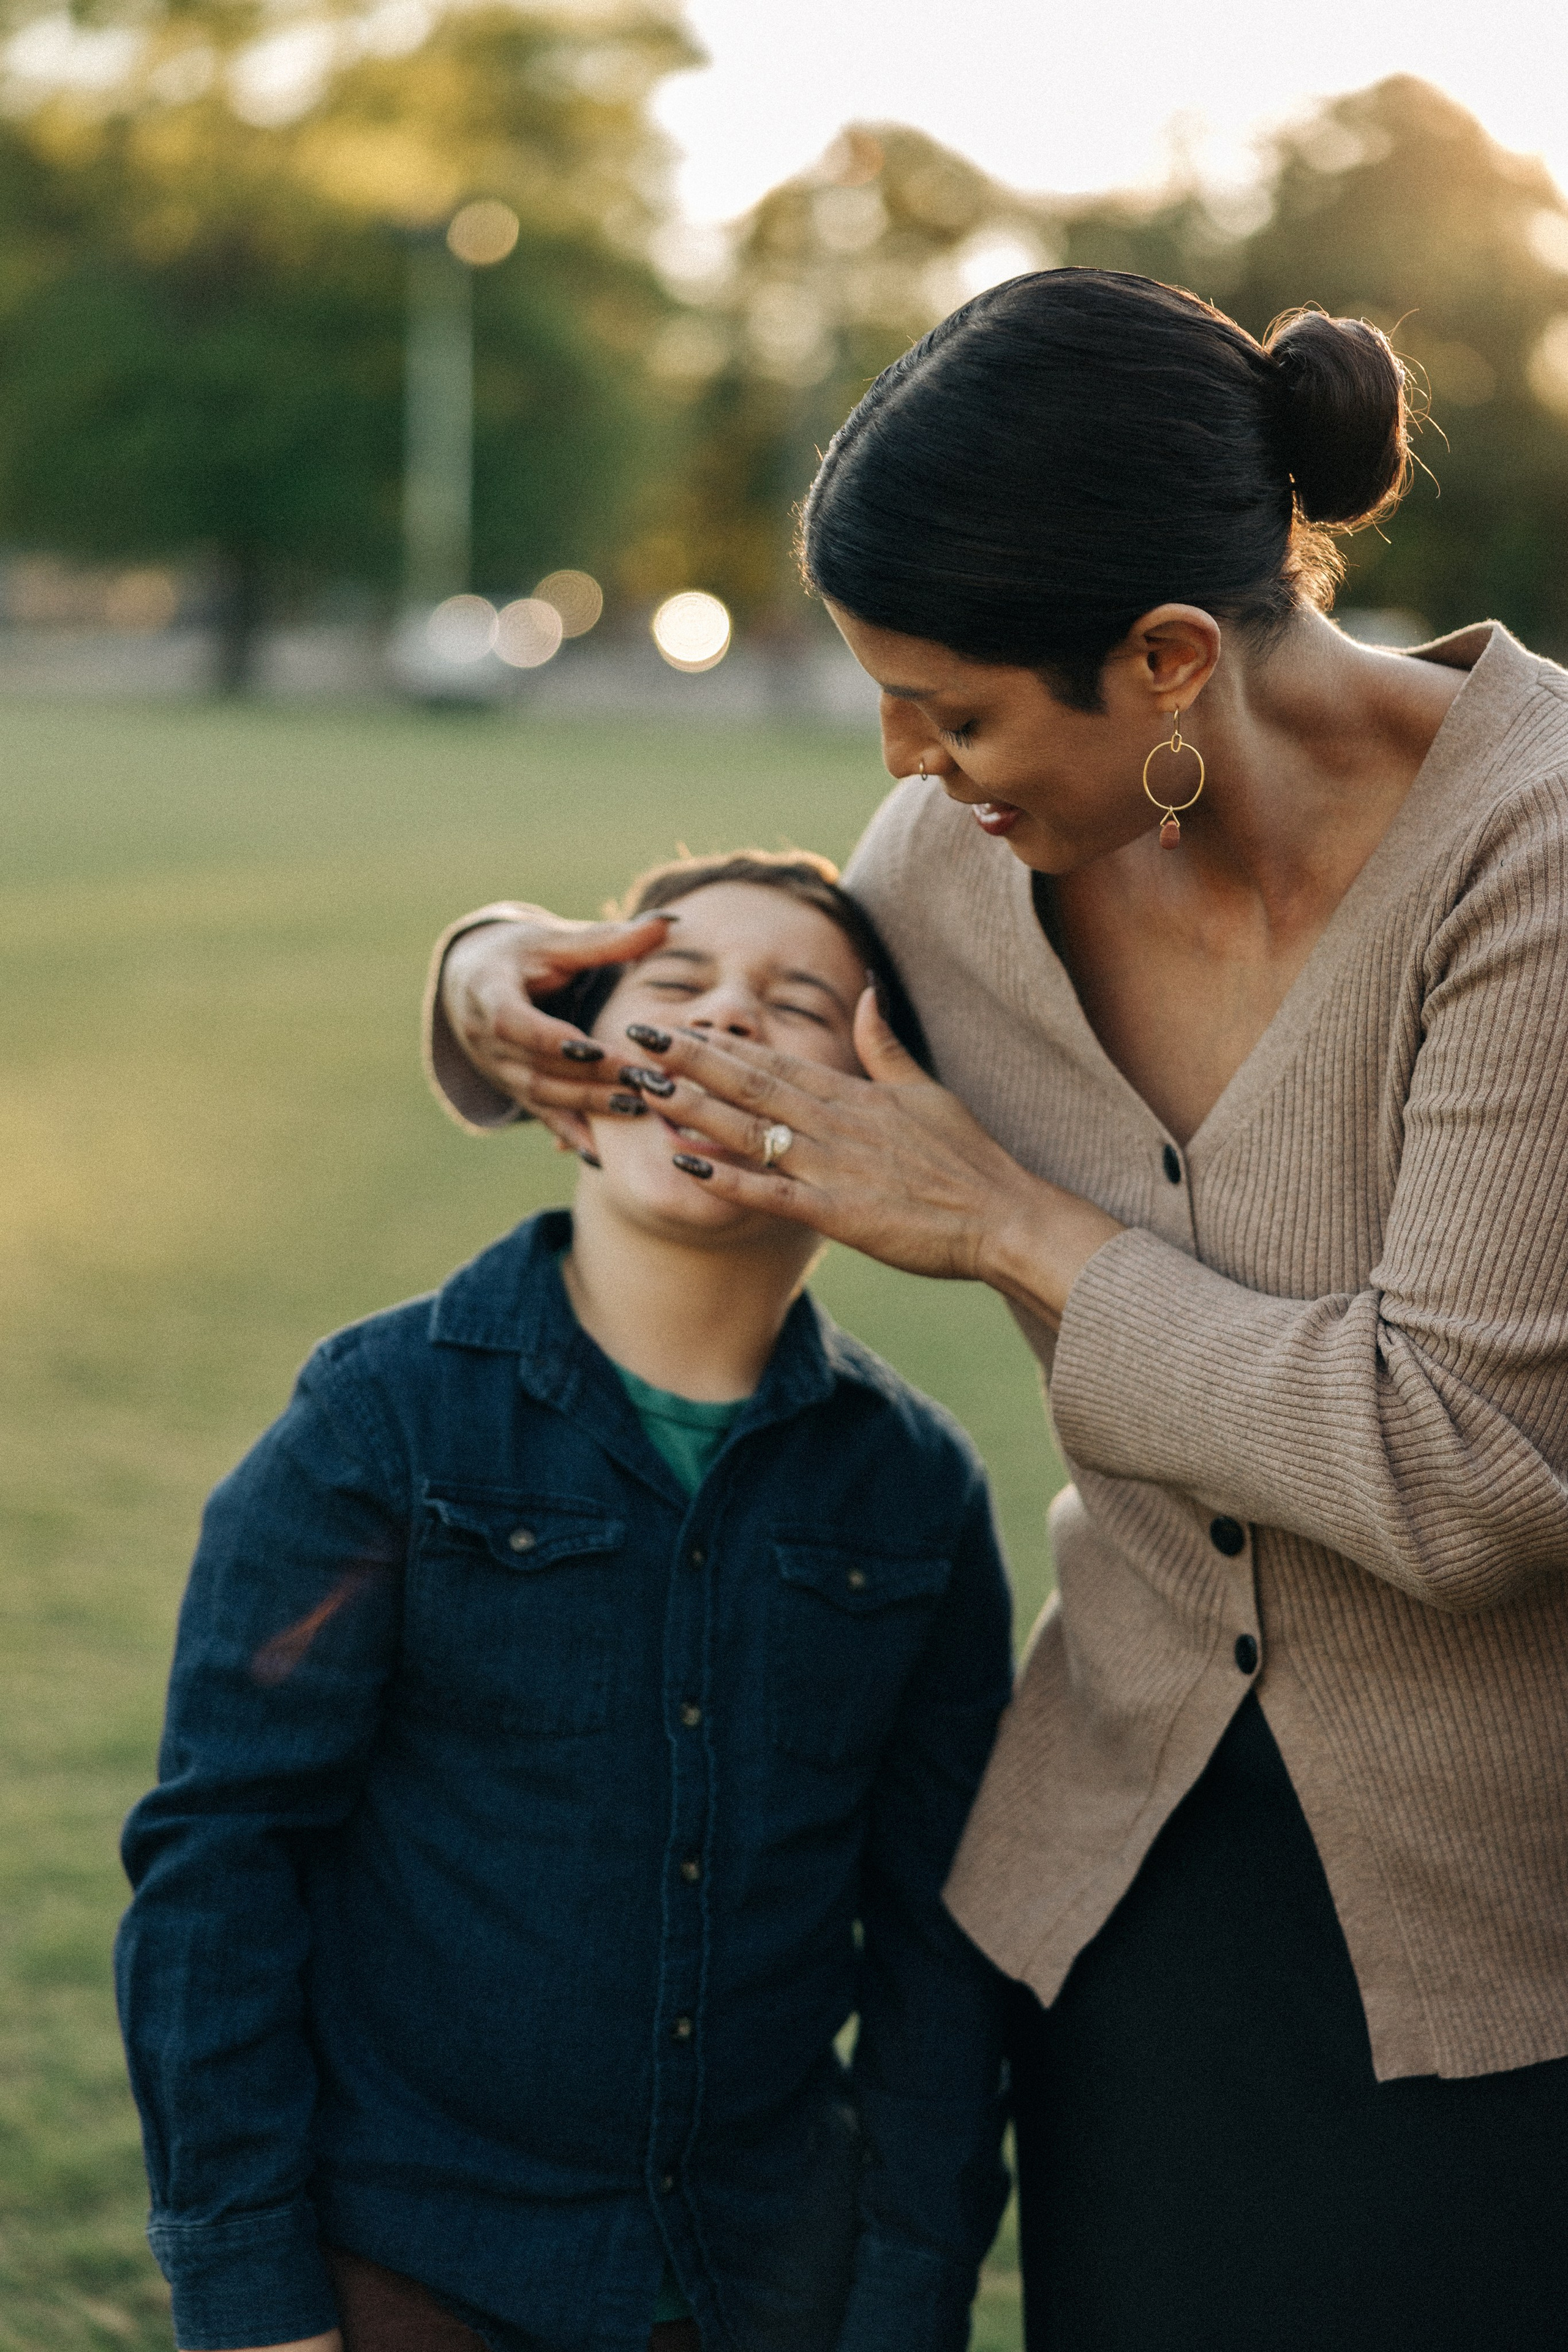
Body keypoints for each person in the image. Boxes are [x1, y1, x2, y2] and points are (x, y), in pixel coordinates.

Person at [424, 270, 1568, 2351]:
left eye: (950, 709)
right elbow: (742, 987)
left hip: (1516, 1927)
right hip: (1121, 1889)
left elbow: (1471, 1473)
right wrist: (498, 961)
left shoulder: (1541, 858)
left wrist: (1013, 1229)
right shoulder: (958, 864)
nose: (904, 763)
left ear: (1163, 660)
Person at [116, 853, 1013, 2352]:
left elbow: (940, 1946)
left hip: (762, 2284)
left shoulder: (916, 1489)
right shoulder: (376, 1422)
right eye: (674, 991)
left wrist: (903, 2301)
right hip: (408, 2261)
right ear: (568, 1087)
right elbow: (222, 1865)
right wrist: (250, 2296)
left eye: (794, 1007)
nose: (721, 1024)